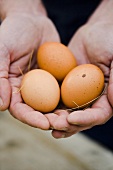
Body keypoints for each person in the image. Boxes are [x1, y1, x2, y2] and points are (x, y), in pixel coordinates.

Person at [0, 0, 113, 150]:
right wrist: (22, 10)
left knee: (99, 138)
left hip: (99, 24)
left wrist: (108, 20)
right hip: (32, 28)